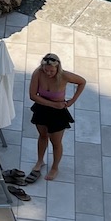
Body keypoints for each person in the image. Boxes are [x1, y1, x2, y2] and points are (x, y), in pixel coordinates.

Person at [16, 52, 87, 184]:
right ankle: (39, 161)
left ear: (57, 68)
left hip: (58, 113)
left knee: (56, 142)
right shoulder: (38, 73)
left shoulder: (64, 76)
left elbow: (82, 82)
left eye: (51, 71)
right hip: (42, 109)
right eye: (46, 70)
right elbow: (32, 95)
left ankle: (55, 167)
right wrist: (53, 104)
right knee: (42, 136)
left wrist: (72, 100)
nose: (48, 73)